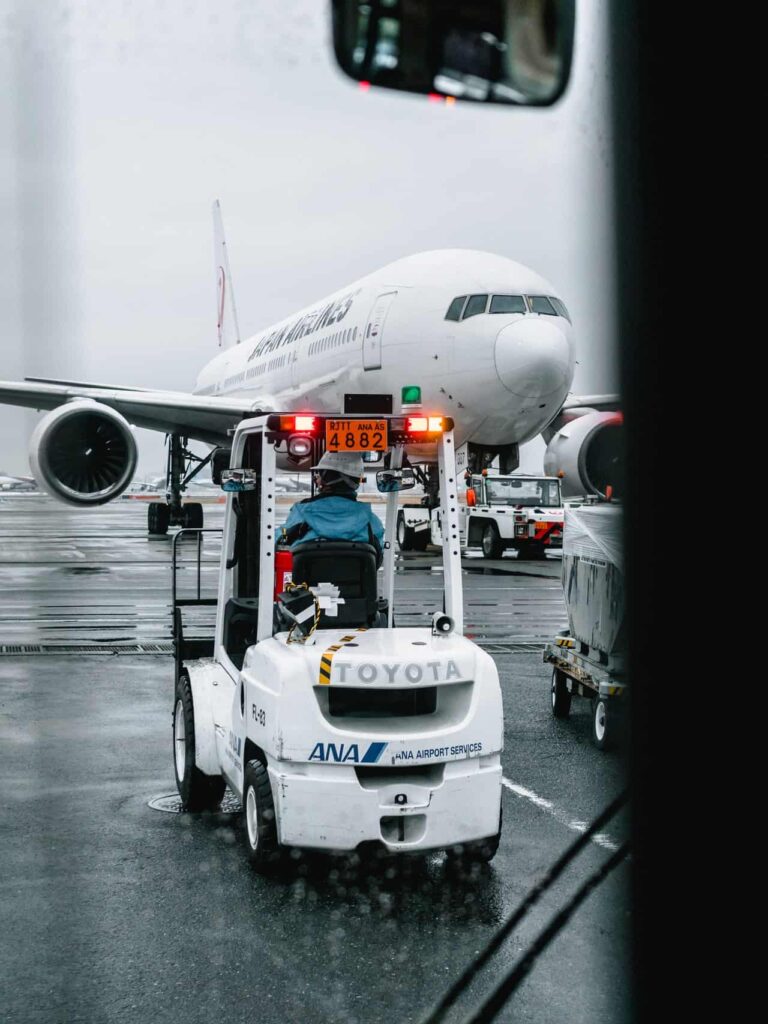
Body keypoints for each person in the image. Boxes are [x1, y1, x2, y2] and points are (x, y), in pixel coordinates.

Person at [281, 450, 385, 562]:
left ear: (329, 477)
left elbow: (282, 537)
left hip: (306, 578)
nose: (317, 479)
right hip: (354, 578)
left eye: (320, 474)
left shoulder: (301, 511)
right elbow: (378, 555)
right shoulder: (370, 520)